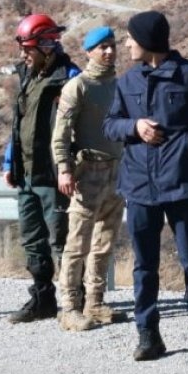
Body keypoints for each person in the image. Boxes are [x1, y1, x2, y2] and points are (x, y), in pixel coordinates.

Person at [104, 10, 188, 361]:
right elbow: (110, 124)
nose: (127, 44)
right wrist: (134, 128)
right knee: (143, 264)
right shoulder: (127, 82)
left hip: (182, 183)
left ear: (148, 41)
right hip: (139, 187)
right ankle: (147, 333)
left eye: (131, 38)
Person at [3, 13, 81, 324]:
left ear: (47, 46)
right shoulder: (28, 74)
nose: (24, 54)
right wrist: (11, 161)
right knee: (32, 238)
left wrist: (68, 167)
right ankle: (42, 298)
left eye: (29, 48)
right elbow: (20, 122)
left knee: (61, 239)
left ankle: (76, 300)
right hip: (27, 174)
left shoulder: (70, 77)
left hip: (53, 175)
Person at [51, 26, 125, 332]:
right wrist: (64, 169)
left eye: (112, 46)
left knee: (105, 241)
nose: (109, 51)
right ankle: (69, 307)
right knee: (77, 243)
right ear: (89, 51)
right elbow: (61, 134)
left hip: (116, 171)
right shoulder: (77, 87)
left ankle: (95, 301)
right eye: (102, 47)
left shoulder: (120, 86)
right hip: (88, 172)